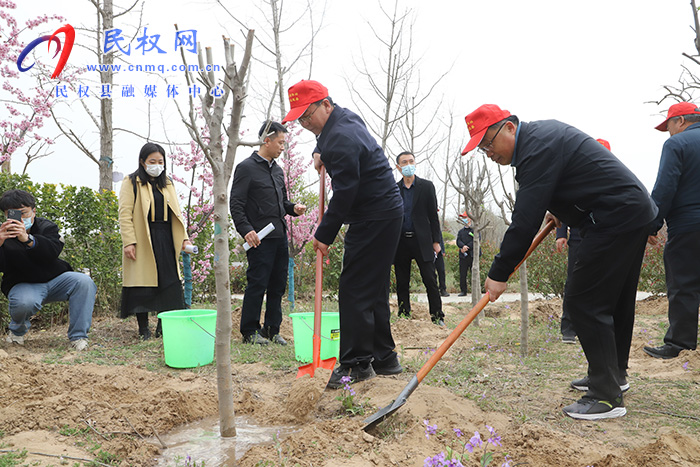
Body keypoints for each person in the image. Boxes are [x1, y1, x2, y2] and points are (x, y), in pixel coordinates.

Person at [462, 104, 657, 420]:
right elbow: (575, 181)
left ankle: (606, 396)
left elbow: (525, 220)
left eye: (488, 143)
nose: (488, 153)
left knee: (584, 303)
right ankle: (612, 376)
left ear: (510, 127)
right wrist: (562, 209)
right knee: (615, 302)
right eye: (482, 149)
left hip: (614, 218)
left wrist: (499, 272)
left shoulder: (536, 148)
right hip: (629, 211)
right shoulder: (541, 140)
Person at [282, 79, 404, 388]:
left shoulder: (341, 137)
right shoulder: (343, 118)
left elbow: (346, 191)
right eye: (299, 119)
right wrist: (317, 152)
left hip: (373, 216)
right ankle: (384, 357)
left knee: (354, 289)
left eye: (307, 116)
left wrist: (324, 234)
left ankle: (355, 363)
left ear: (325, 104)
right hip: (382, 213)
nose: (305, 123)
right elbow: (325, 141)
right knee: (372, 287)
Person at [229, 121, 306, 346]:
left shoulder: (278, 170)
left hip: (280, 236)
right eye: (280, 142)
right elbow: (236, 204)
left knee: (277, 285)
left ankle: (272, 329)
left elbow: (282, 202)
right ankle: (250, 331)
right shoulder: (246, 168)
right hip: (259, 239)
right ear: (267, 140)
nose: (283, 147)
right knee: (257, 283)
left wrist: (293, 208)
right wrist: (246, 230)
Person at [1, 189, 96, 350]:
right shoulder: (2, 234)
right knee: (24, 302)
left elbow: (52, 252)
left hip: (56, 280)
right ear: (5, 215)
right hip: (23, 285)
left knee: (84, 282)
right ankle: (17, 333)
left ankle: (78, 337)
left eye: (23, 213)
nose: (20, 219)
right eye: (13, 215)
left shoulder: (47, 227)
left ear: (34, 211)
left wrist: (28, 239)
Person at [643, 102, 700, 359]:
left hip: (688, 226)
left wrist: (652, 224)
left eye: (668, 127)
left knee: (683, 285)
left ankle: (680, 344)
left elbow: (665, 187)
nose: (668, 133)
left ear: (680, 122)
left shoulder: (677, 144)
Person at [119, 142, 191, 340]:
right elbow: (125, 214)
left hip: (166, 236)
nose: (157, 165)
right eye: (152, 161)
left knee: (168, 281)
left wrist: (183, 238)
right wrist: (129, 241)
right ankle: (144, 328)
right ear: (142, 162)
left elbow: (177, 212)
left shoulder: (167, 183)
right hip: (143, 236)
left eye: (160, 161)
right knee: (143, 282)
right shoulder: (131, 181)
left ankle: (162, 326)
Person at [393, 151, 445, 326]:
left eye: (411, 161)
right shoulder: (394, 189)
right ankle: (404, 314)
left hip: (422, 241)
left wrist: (436, 241)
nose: (408, 165)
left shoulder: (427, 186)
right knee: (402, 281)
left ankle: (437, 316)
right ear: (398, 167)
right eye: (404, 162)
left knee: (430, 279)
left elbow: (433, 216)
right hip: (400, 242)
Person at [555, 223, 580, 344]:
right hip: (578, 237)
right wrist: (561, 233)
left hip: (606, 236)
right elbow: (564, 205)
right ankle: (568, 329)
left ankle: (594, 328)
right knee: (573, 282)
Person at [456, 215, 475, 297]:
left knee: (473, 274)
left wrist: (468, 247)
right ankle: (463, 291)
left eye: (466, 218)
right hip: (463, 256)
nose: (465, 220)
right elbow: (458, 241)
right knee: (463, 274)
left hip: (472, 255)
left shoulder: (474, 230)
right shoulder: (460, 232)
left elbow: (476, 240)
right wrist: (462, 246)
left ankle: (474, 290)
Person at [435, 230, 449, 297]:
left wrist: (443, 251)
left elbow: (440, 239)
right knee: (431, 273)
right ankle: (434, 290)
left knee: (441, 271)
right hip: (429, 252)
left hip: (439, 253)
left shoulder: (437, 229)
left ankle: (443, 289)